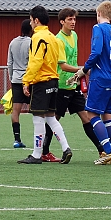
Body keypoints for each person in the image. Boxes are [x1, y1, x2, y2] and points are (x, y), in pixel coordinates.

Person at [41, 8, 105, 163]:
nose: (73, 22)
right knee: (53, 119)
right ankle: (44, 151)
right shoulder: (58, 39)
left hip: (73, 84)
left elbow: (73, 61)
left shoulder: (74, 36)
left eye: (74, 19)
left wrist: (80, 73)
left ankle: (102, 150)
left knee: (86, 116)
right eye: (69, 19)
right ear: (62, 21)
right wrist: (83, 69)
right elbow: (63, 66)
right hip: (61, 85)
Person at [67, 2, 111, 165]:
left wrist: (84, 70)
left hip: (100, 77)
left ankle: (107, 152)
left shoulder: (98, 29)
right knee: (107, 114)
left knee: (91, 114)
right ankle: (110, 151)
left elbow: (96, 52)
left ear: (99, 13)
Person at [18, 5, 72, 165]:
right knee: (51, 118)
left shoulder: (37, 37)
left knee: (38, 118)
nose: (30, 23)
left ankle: (36, 154)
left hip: (41, 82)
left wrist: (26, 81)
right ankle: (66, 148)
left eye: (31, 19)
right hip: (54, 81)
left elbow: (36, 61)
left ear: (36, 20)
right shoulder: (54, 38)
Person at [7, 20, 31, 149]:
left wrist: (12, 77)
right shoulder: (32, 42)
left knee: (16, 110)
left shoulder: (13, 42)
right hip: (29, 80)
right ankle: (39, 137)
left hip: (16, 79)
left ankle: (17, 139)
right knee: (37, 110)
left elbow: (9, 63)